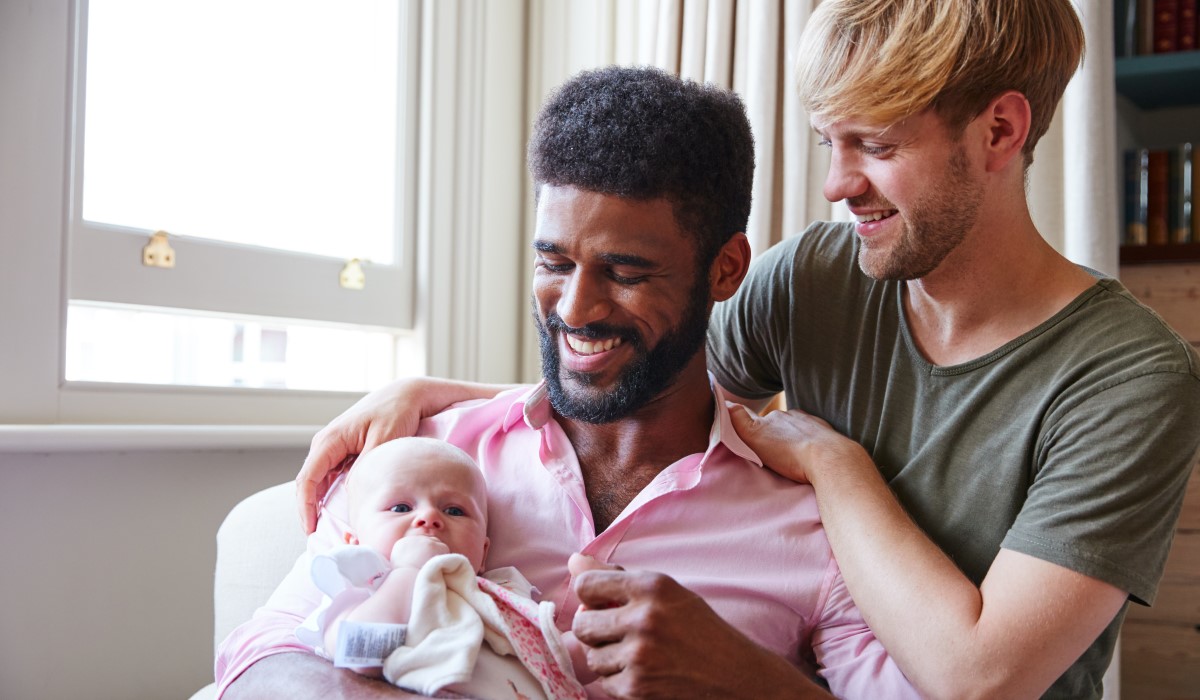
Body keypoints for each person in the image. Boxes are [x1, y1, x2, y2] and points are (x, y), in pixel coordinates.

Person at [295, 2, 1200, 699]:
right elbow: (650, 364)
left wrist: (833, 464)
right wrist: (436, 396)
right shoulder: (822, 273)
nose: (838, 185)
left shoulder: (1127, 377)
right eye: (828, 142)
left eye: (875, 146)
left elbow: (982, 677)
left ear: (1000, 131)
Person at [220, 65, 920, 699]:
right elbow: (262, 655)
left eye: (625, 272)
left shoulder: (808, 530)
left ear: (725, 270)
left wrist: (748, 680)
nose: (576, 310)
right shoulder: (419, 459)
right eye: (554, 262)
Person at [291, 437, 583, 699]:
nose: (429, 517)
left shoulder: (499, 596)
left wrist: (589, 639)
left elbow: (550, 661)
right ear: (355, 544)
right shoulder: (361, 590)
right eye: (401, 508)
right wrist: (408, 571)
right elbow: (360, 655)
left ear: (482, 554)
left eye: (454, 510)